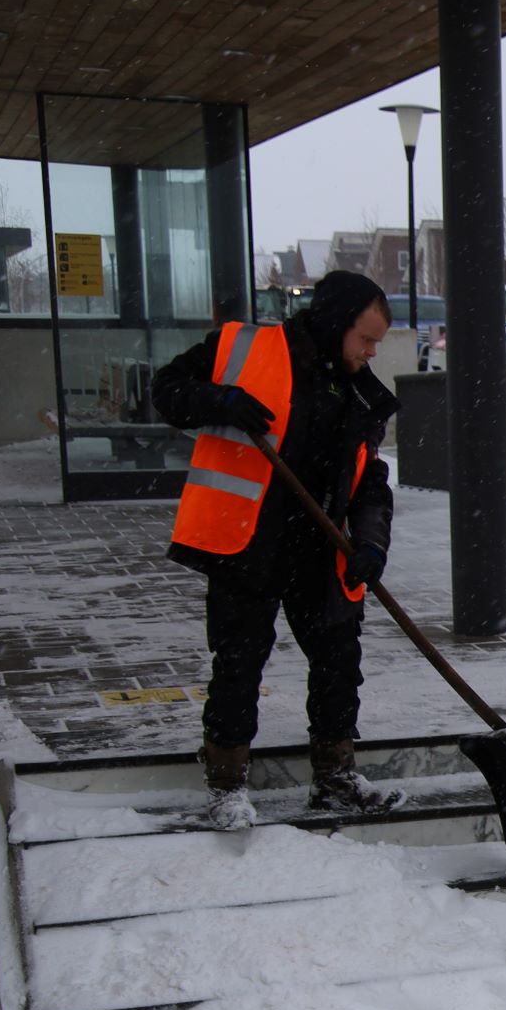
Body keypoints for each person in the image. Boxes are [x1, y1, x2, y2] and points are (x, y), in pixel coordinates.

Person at [153, 269, 404, 829]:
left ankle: (335, 777)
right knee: (239, 662)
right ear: (336, 323)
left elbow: (369, 483)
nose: (369, 352)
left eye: (375, 343)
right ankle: (226, 784)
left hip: (321, 550)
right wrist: (218, 400)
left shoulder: (359, 393)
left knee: (339, 660)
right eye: (364, 338)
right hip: (247, 541)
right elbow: (165, 390)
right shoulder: (243, 348)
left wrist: (370, 545)